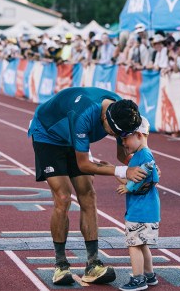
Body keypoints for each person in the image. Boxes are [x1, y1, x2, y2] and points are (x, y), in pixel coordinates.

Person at [28, 87, 146, 286]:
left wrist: (146, 167)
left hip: (74, 135)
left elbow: (122, 155)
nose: (115, 136)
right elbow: (83, 164)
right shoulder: (83, 114)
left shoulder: (121, 112)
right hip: (48, 135)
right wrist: (122, 172)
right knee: (63, 197)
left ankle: (93, 264)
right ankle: (60, 265)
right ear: (106, 119)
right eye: (113, 132)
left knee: (88, 194)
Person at [116, 117, 160, 291]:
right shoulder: (141, 155)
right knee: (142, 245)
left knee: (134, 245)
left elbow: (150, 178)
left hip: (140, 210)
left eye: (126, 138)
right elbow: (135, 175)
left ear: (139, 135)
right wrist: (115, 173)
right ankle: (149, 275)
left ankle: (138, 279)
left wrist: (129, 188)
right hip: (146, 209)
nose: (123, 143)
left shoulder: (144, 155)